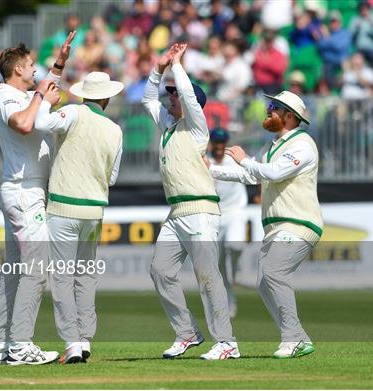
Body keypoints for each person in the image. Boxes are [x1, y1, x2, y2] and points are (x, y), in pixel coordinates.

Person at [205, 90, 323, 358]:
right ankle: (300, 338)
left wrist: (245, 159)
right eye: (270, 105)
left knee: (273, 273)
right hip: (277, 226)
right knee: (263, 281)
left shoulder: (302, 144)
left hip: (299, 221)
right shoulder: (271, 146)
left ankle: (291, 339)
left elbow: (274, 172)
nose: (268, 110)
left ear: (289, 116)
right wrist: (210, 169)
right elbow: (249, 175)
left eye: (275, 107)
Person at [142, 43, 239, 361]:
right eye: (169, 94)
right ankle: (186, 333)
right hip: (176, 212)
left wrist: (177, 65)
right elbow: (146, 99)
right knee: (160, 270)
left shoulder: (197, 129)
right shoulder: (169, 128)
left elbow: (185, 91)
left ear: (189, 102)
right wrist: (158, 68)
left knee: (208, 275)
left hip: (200, 209)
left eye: (174, 95)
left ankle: (226, 342)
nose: (169, 97)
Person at [0, 32, 76, 366]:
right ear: (17, 70)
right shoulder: (5, 97)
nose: (36, 71)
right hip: (24, 192)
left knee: (13, 271)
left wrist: (60, 63)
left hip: (26, 190)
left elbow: (45, 92)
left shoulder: (24, 94)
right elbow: (24, 124)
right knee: (36, 270)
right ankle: (20, 346)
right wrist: (40, 96)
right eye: (31, 66)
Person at [35, 72, 123, 363]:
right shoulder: (115, 130)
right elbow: (111, 178)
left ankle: (72, 342)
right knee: (86, 276)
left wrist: (46, 102)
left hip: (63, 206)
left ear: (85, 94)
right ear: (107, 98)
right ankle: (85, 339)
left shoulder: (73, 112)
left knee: (62, 276)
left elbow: (40, 122)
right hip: (94, 210)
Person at [207, 128, 248, 319]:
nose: (219, 147)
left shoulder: (234, 160)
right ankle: (230, 303)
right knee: (221, 268)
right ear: (211, 143)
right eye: (216, 143)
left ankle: (238, 268)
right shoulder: (206, 160)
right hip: (216, 217)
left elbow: (253, 173)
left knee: (235, 245)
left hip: (236, 212)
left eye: (222, 143)